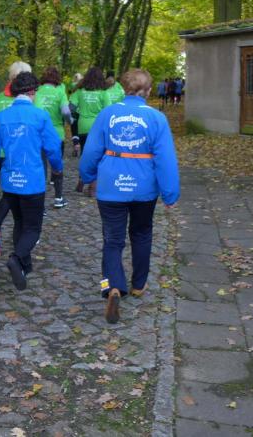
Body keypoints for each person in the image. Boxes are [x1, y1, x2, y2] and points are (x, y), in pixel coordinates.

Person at [78, 68, 179, 324]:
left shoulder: (107, 114)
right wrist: (170, 194)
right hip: (144, 188)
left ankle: (113, 286)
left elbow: (92, 151)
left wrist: (87, 175)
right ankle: (138, 284)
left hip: (111, 187)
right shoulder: (157, 118)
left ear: (123, 89)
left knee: (112, 239)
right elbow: (165, 159)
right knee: (142, 233)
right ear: (148, 91)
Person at [0, 71, 63, 290]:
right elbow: (53, 147)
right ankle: (16, 258)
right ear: (32, 91)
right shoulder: (40, 116)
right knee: (32, 228)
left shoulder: (2, 117)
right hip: (32, 181)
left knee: (19, 221)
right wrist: (57, 168)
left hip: (10, 180)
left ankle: (24, 265)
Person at [0, 61, 31, 256]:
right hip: (20, 155)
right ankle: (22, 236)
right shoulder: (30, 99)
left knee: (9, 191)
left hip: (1, 154)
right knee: (17, 194)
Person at [34, 66, 71, 208]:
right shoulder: (60, 92)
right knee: (57, 165)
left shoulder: (37, 92)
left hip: (39, 134)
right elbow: (66, 112)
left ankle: (40, 205)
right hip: (56, 134)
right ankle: (58, 198)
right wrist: (70, 121)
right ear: (57, 79)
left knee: (41, 167)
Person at [69, 67, 111, 194]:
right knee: (98, 155)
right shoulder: (104, 93)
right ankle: (93, 187)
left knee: (84, 154)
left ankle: (81, 180)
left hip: (83, 126)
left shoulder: (79, 91)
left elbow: (70, 108)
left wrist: (78, 113)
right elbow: (108, 111)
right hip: (98, 127)